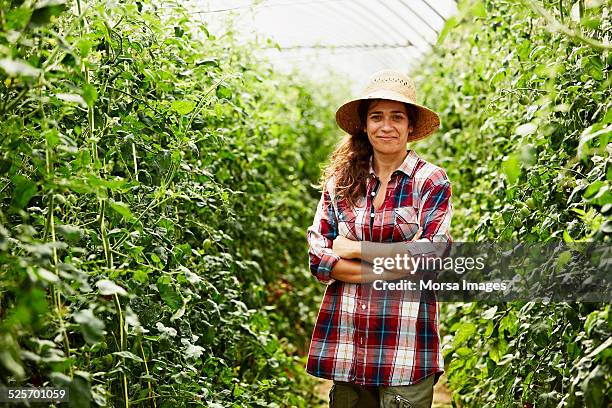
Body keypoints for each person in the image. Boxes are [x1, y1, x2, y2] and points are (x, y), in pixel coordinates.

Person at [306, 69, 453, 408]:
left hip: (405, 343)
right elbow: (318, 257)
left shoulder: (430, 182)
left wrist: (354, 250)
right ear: (365, 124)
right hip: (349, 342)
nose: (386, 126)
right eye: (377, 116)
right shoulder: (341, 183)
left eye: (397, 117)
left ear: (411, 126)